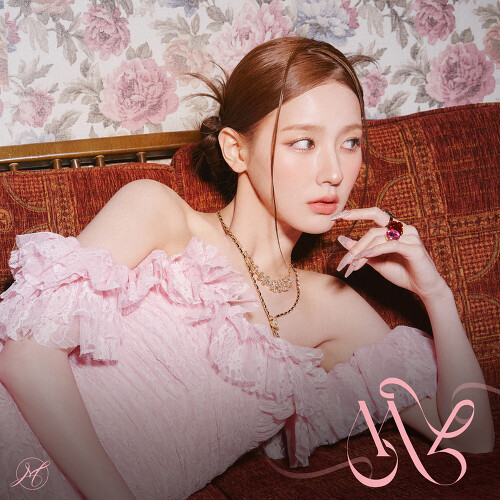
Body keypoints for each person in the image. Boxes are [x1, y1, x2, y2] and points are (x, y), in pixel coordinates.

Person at [0, 37, 494, 500]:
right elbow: (25, 353)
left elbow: (468, 438)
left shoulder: (334, 311)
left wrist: (436, 295)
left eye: (350, 142)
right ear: (236, 150)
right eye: (304, 142)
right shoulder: (158, 213)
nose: (335, 173)